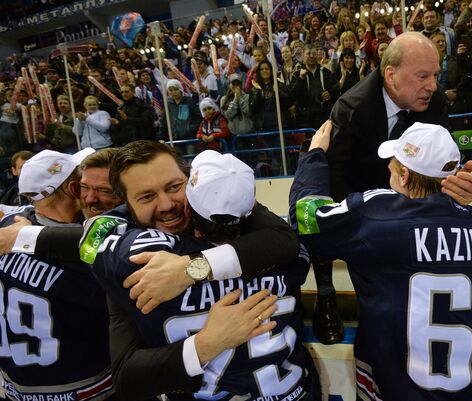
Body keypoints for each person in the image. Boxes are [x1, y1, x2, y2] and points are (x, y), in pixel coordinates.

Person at [289, 120, 472, 401]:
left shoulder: (377, 215)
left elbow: (305, 219)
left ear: (404, 175)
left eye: (391, 169)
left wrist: (313, 156)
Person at [87, 149, 319, 400]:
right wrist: (206, 344)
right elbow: (129, 377)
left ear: (191, 181)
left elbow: (127, 379)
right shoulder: (282, 251)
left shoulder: (135, 265)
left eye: (174, 186)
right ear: (126, 204)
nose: (166, 205)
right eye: (146, 196)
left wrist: (193, 269)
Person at [314, 32, 472, 345]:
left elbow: (442, 161)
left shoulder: (436, 102)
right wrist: (362, 219)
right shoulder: (352, 106)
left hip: (409, 199)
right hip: (357, 194)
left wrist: (460, 183)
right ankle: (326, 296)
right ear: (391, 75)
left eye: (435, 74)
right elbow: (333, 176)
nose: (433, 85)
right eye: (423, 76)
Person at [0, 147, 119, 401]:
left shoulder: (10, 225)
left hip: (16, 388)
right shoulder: (88, 254)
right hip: (85, 388)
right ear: (73, 189)